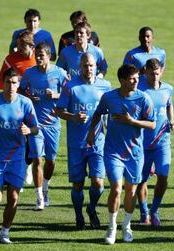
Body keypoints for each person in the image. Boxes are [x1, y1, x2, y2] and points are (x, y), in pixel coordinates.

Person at [87, 64, 156, 244]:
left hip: (135, 153)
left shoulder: (143, 98)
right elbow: (98, 113)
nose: (136, 81)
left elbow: (152, 124)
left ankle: (126, 226)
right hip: (113, 151)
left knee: (131, 191)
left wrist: (132, 121)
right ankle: (112, 227)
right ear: (123, 80)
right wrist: (91, 132)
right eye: (132, 78)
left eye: (137, 78)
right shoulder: (109, 97)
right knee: (116, 188)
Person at [0, 68, 38, 244]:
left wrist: (28, 130)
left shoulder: (26, 103)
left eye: (14, 83)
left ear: (19, 84)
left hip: (17, 156)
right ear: (2, 82)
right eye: (8, 82)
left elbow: (36, 128)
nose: (11, 86)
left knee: (13, 197)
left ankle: (5, 232)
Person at [56, 53, 111, 230]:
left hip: (97, 142)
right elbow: (59, 110)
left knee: (98, 182)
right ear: (80, 66)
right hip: (76, 143)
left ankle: (92, 208)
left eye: (92, 65)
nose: (89, 69)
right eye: (86, 65)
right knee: (78, 185)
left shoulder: (105, 86)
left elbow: (111, 110)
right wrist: (73, 116)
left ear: (96, 66)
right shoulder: (70, 86)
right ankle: (79, 215)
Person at [19, 42, 68, 210]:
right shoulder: (29, 74)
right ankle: (39, 196)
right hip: (35, 125)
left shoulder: (60, 73)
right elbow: (19, 91)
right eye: (36, 55)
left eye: (42, 55)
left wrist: (56, 95)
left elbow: (71, 93)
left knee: (51, 161)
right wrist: (29, 99)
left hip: (53, 124)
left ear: (49, 56)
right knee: (37, 159)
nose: (38, 58)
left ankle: (45, 188)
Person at [136, 58, 174, 226]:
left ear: (161, 72)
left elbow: (169, 104)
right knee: (141, 180)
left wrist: (171, 120)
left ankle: (155, 210)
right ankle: (144, 212)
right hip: (143, 143)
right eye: (151, 74)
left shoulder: (168, 88)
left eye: (157, 74)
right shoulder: (139, 89)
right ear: (145, 72)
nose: (154, 77)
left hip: (163, 142)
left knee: (163, 177)